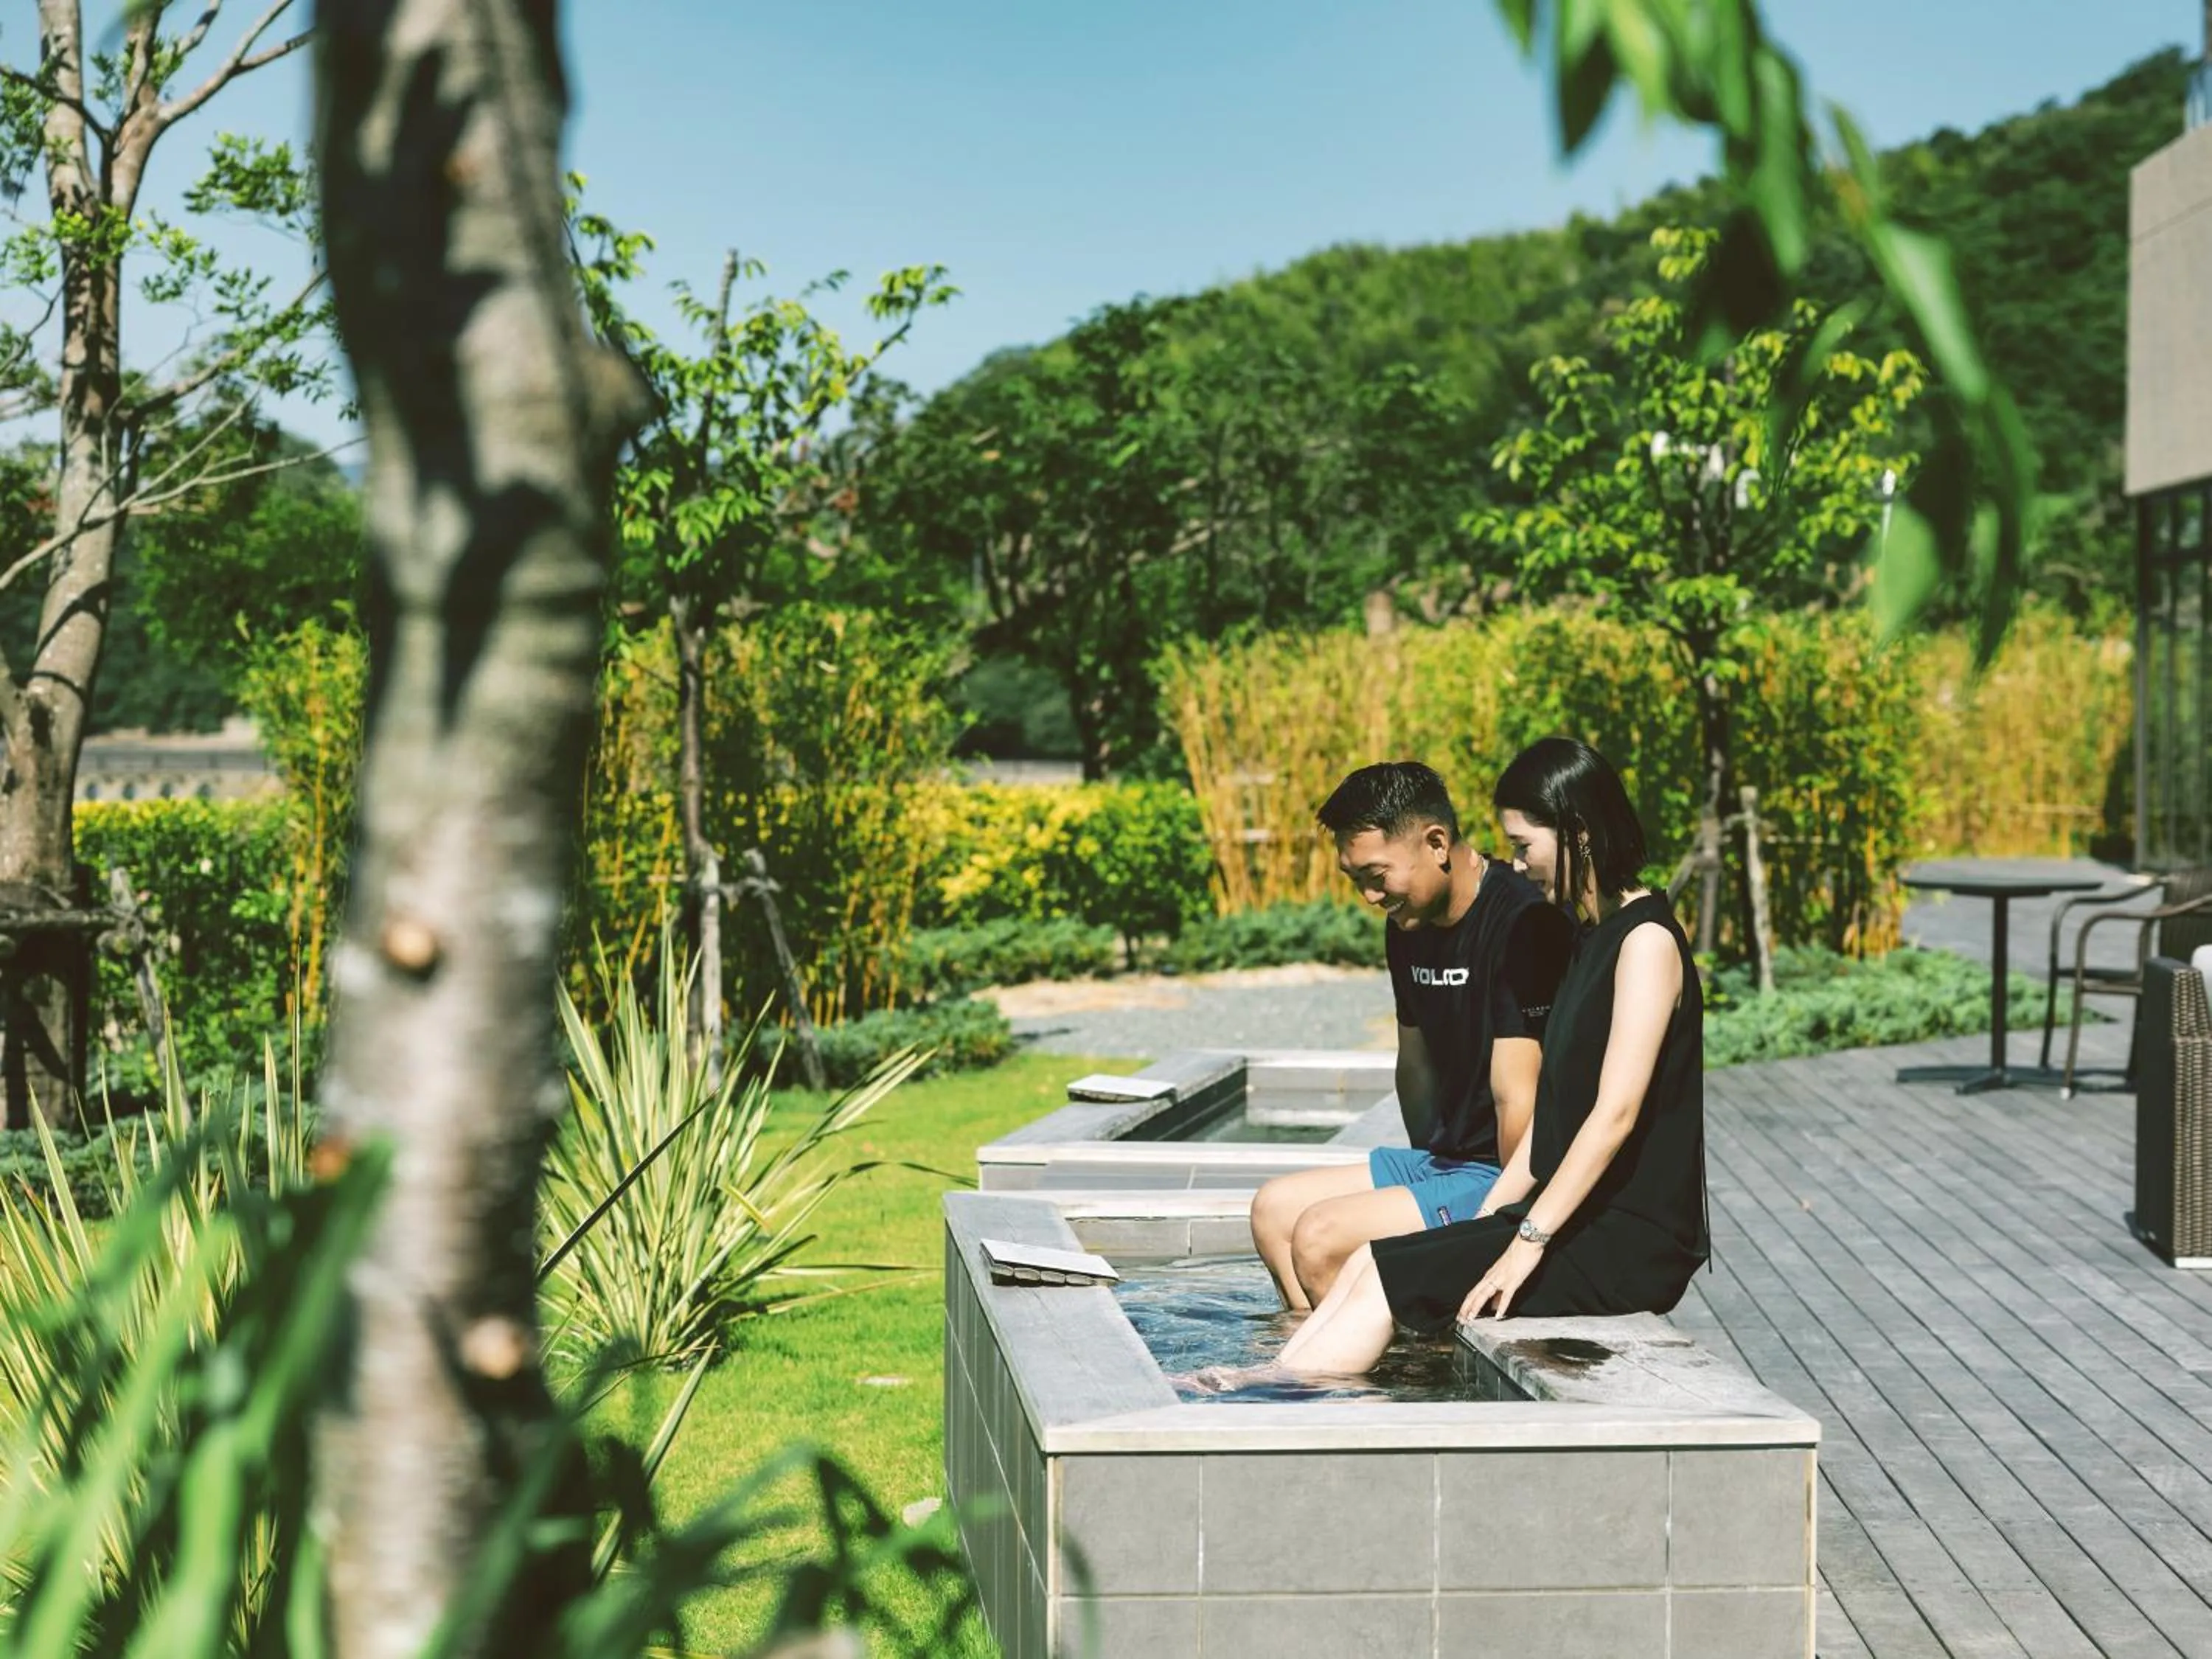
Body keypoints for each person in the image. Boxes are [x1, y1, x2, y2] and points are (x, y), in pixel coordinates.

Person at [1273, 737, 1708, 1377]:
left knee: (1387, 1280)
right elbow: (1554, 1120)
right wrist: (1483, 1222)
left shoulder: (1647, 942)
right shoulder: (1590, 940)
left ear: (1579, 834)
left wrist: (1527, 1240)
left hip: (1626, 1240)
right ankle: (1264, 1384)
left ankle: (1285, 1401)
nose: (1519, 864)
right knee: (1370, 1260)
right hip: (1576, 1218)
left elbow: (1614, 1116)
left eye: (1525, 846)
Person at [1248, 760, 1573, 1310]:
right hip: (1445, 1162)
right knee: (1273, 1211)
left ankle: (1402, 1362)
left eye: (1377, 876)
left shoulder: (1523, 922)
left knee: (1320, 1237)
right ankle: (1314, 1353)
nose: (1371, 897)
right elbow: (1415, 1064)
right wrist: (1422, 1185)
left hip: (1503, 1174)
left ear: (1436, 843)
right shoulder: (1407, 925)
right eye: (1356, 881)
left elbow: (1516, 1097)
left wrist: (1503, 1223)